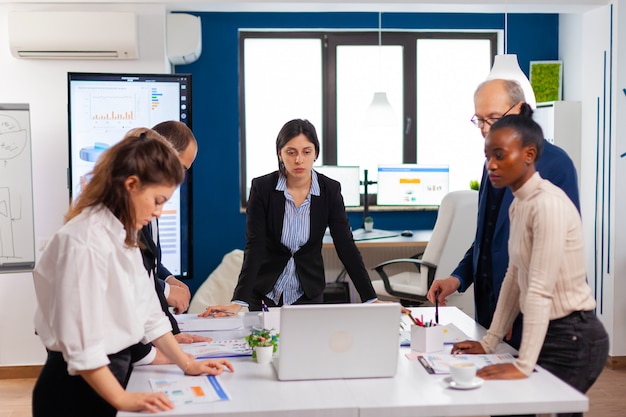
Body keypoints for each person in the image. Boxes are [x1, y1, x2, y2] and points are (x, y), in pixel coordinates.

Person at [31, 128, 233, 417]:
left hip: (112, 375)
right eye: (158, 200)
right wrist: (123, 400)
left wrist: (186, 364)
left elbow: (150, 314)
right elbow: (83, 346)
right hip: (76, 389)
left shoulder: (124, 234)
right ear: (131, 185)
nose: (159, 212)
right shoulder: (84, 241)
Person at [450, 105, 608, 417]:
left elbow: (538, 289)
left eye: (500, 155)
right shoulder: (519, 205)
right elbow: (514, 277)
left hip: (574, 338)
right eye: (488, 156)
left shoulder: (546, 204)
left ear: (528, 155)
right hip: (548, 333)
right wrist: (490, 341)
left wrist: (523, 366)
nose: (491, 165)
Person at [427, 79, 580, 349]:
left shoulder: (556, 164)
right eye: (480, 120)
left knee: (537, 389)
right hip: (490, 311)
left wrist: (516, 311)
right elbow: (486, 239)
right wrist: (457, 278)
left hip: (536, 318)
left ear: (520, 110)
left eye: (495, 118)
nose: (487, 129)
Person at [202, 118, 378, 315]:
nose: (299, 160)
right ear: (280, 153)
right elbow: (255, 246)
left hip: (307, 292)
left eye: (306, 152)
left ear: (315, 153)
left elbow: (345, 245)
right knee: (263, 345)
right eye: (291, 152)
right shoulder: (262, 189)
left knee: (305, 345)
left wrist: (370, 298)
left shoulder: (330, 190)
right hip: (265, 292)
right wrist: (239, 300)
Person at [130, 121, 209, 370]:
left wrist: (173, 346)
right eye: (182, 167)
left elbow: (147, 277)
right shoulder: (99, 234)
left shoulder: (138, 211)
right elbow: (131, 294)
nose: (181, 177)